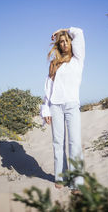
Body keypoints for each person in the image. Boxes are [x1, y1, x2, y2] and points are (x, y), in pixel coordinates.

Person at [40, 26, 85, 193]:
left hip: (72, 105)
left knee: (75, 143)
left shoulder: (78, 59)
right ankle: (60, 176)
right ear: (58, 45)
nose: (64, 44)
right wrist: (46, 109)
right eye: (61, 42)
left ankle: (77, 182)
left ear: (71, 43)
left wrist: (61, 30)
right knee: (58, 143)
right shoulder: (54, 64)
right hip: (55, 106)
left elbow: (79, 32)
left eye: (66, 41)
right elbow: (48, 88)